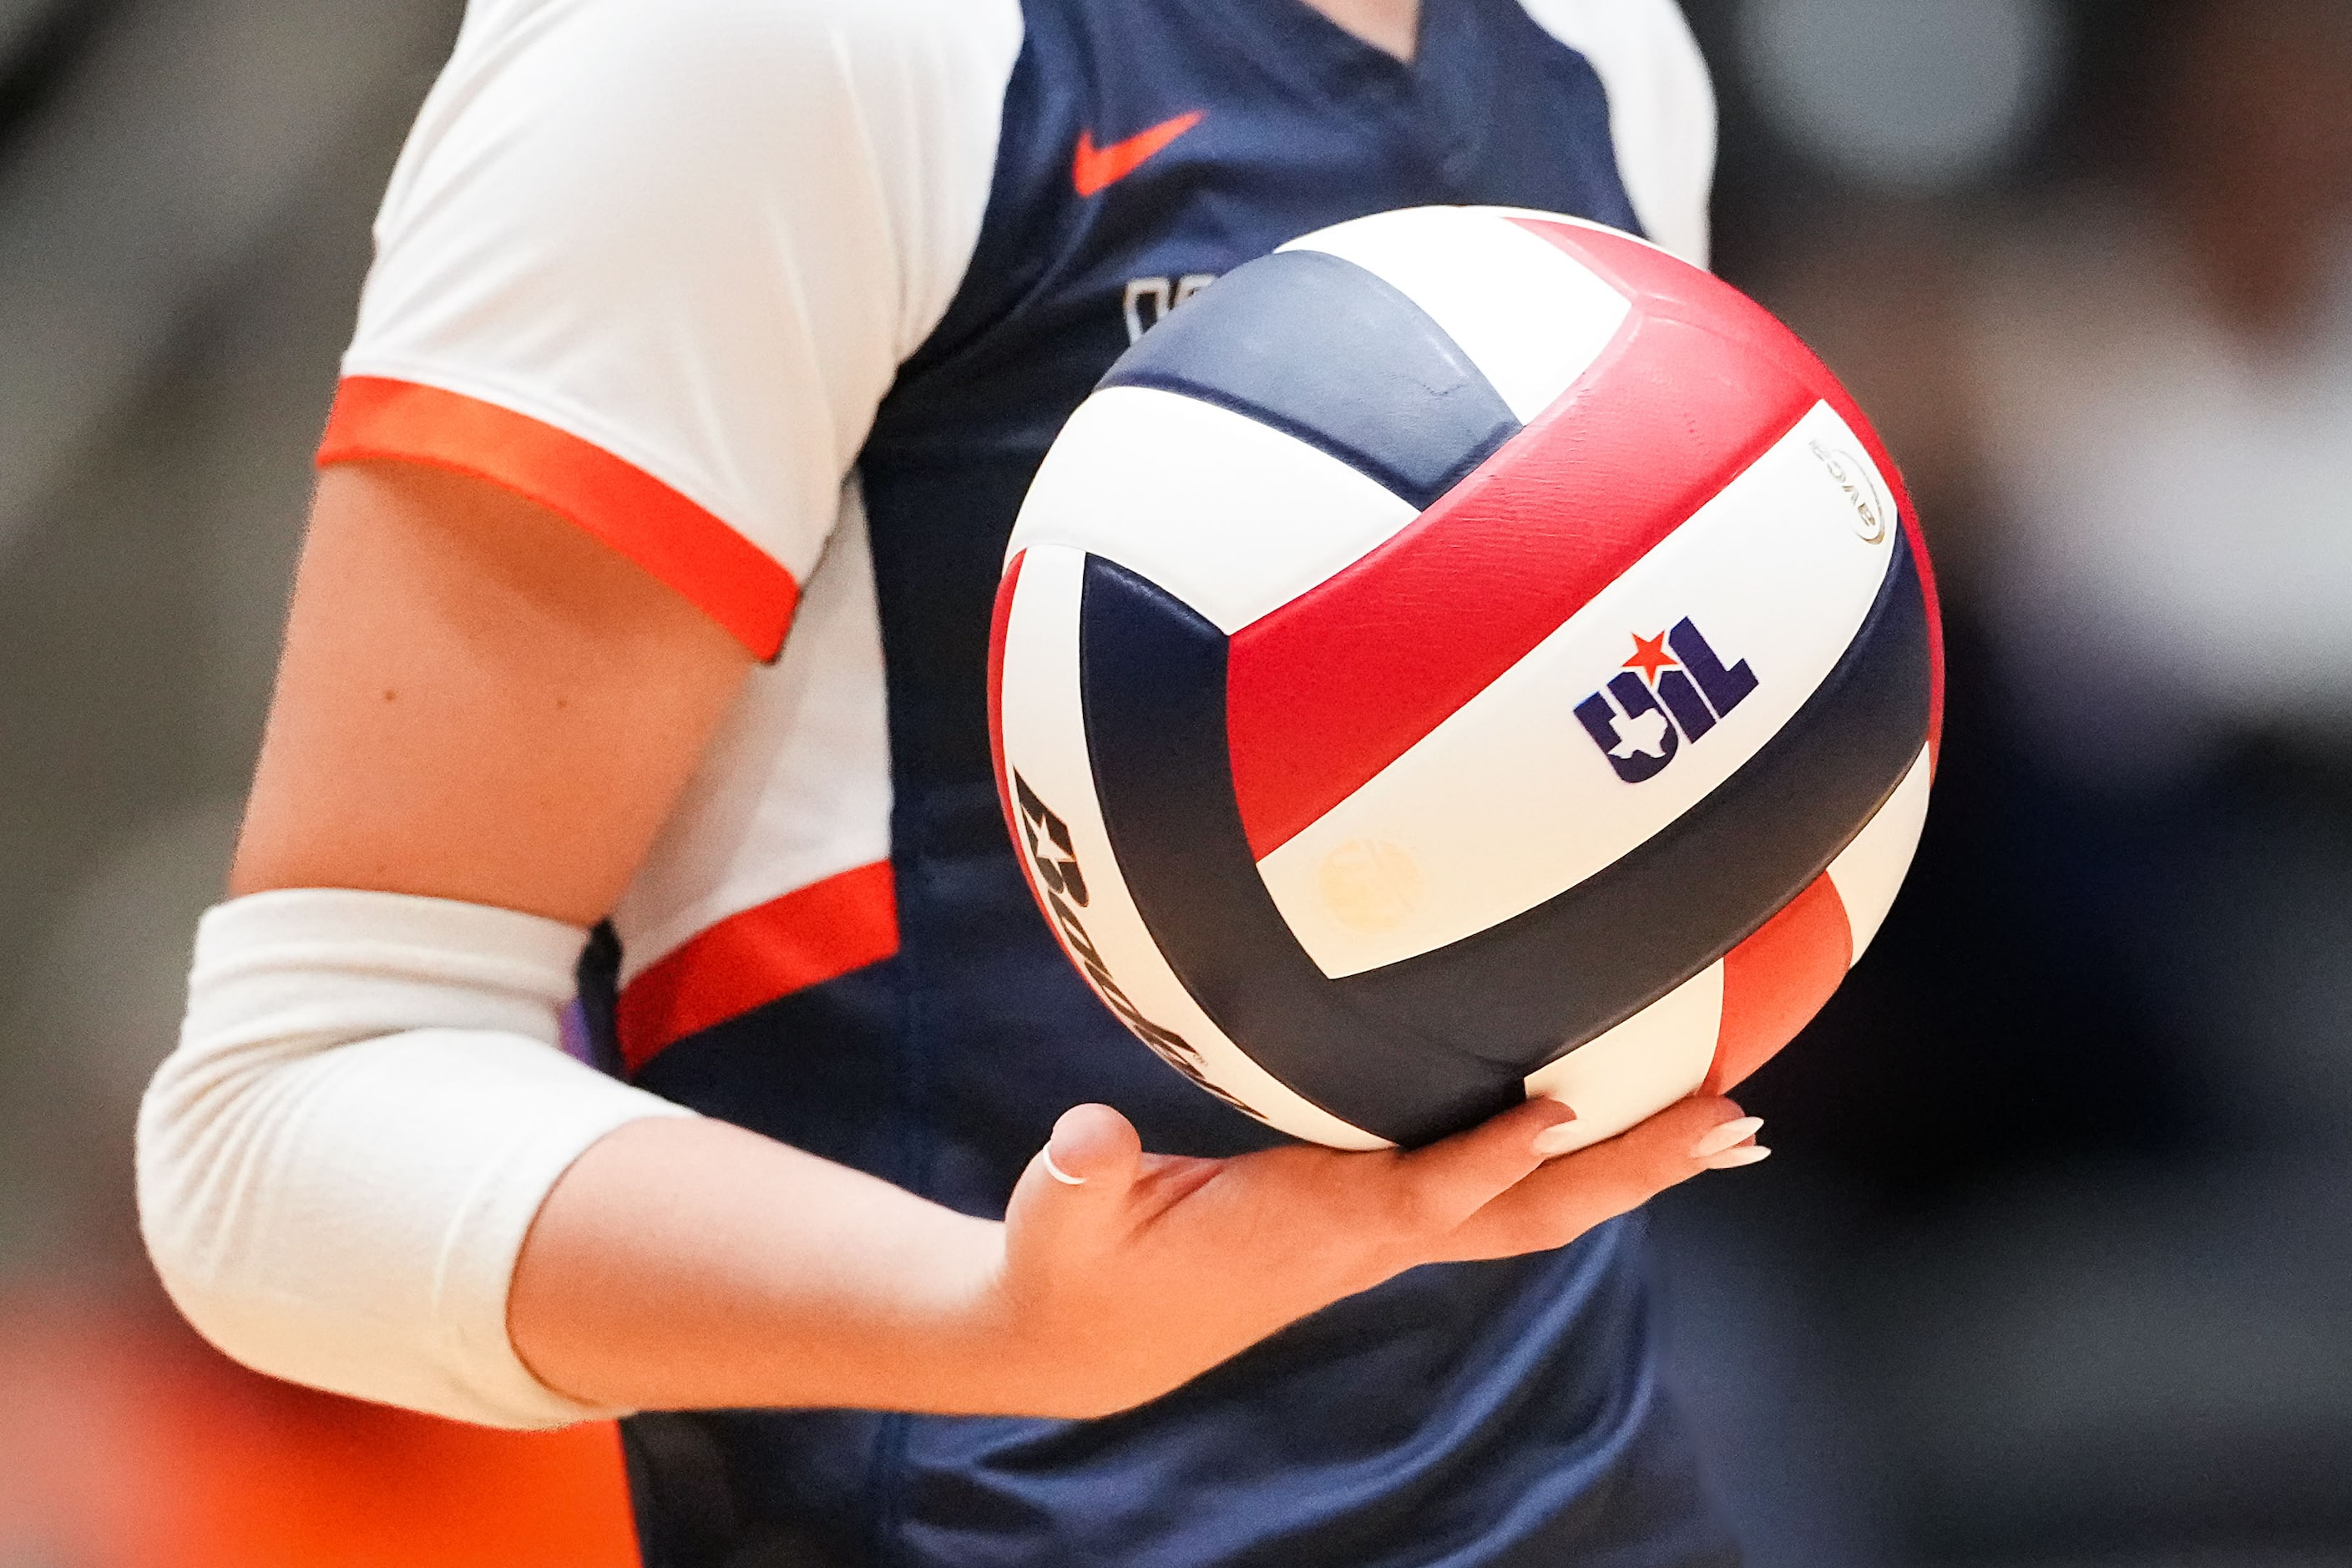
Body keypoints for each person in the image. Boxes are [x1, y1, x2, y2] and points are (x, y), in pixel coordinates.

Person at [135, 0, 1763, 1561]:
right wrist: (997, 1321)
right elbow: (287, 1119)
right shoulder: (764, 39)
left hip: (1600, 1500)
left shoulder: (1602, 42)